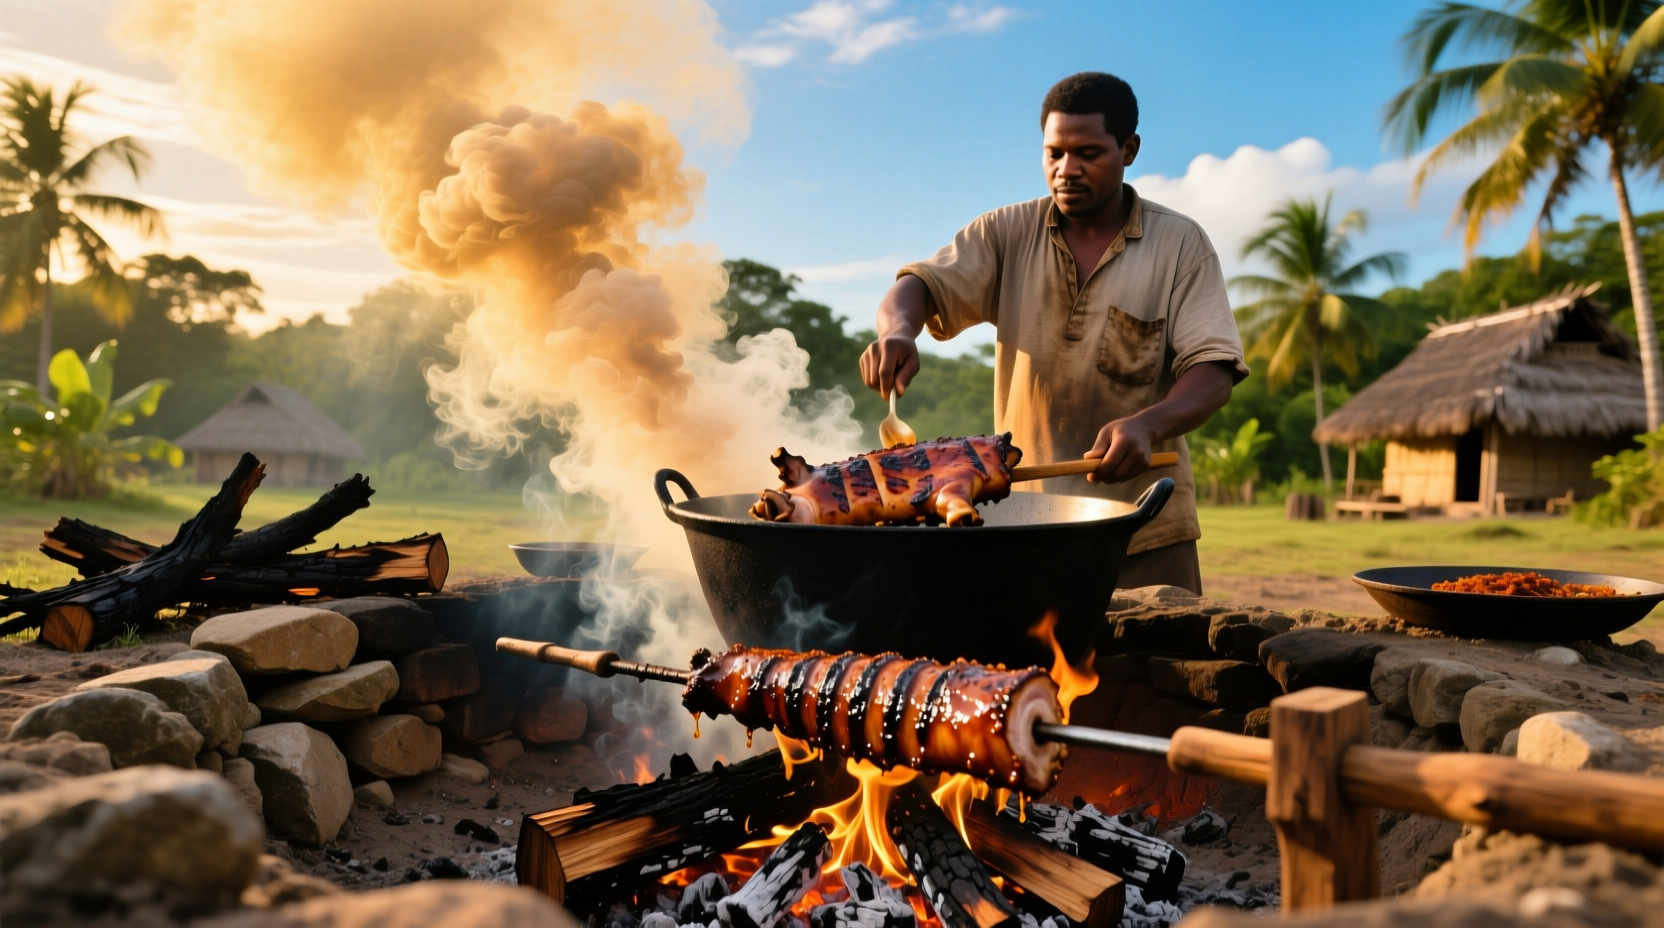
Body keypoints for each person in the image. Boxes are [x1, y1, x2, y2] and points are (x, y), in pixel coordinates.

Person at [858, 72, 1246, 594]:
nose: (1066, 170)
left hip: (1145, 532)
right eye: (1054, 153)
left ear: (1129, 149)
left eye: (1088, 153)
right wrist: (899, 332)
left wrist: (1148, 424)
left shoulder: (1180, 245)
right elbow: (917, 287)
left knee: (1155, 671)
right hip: (1024, 529)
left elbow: (1214, 372)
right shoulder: (1004, 233)